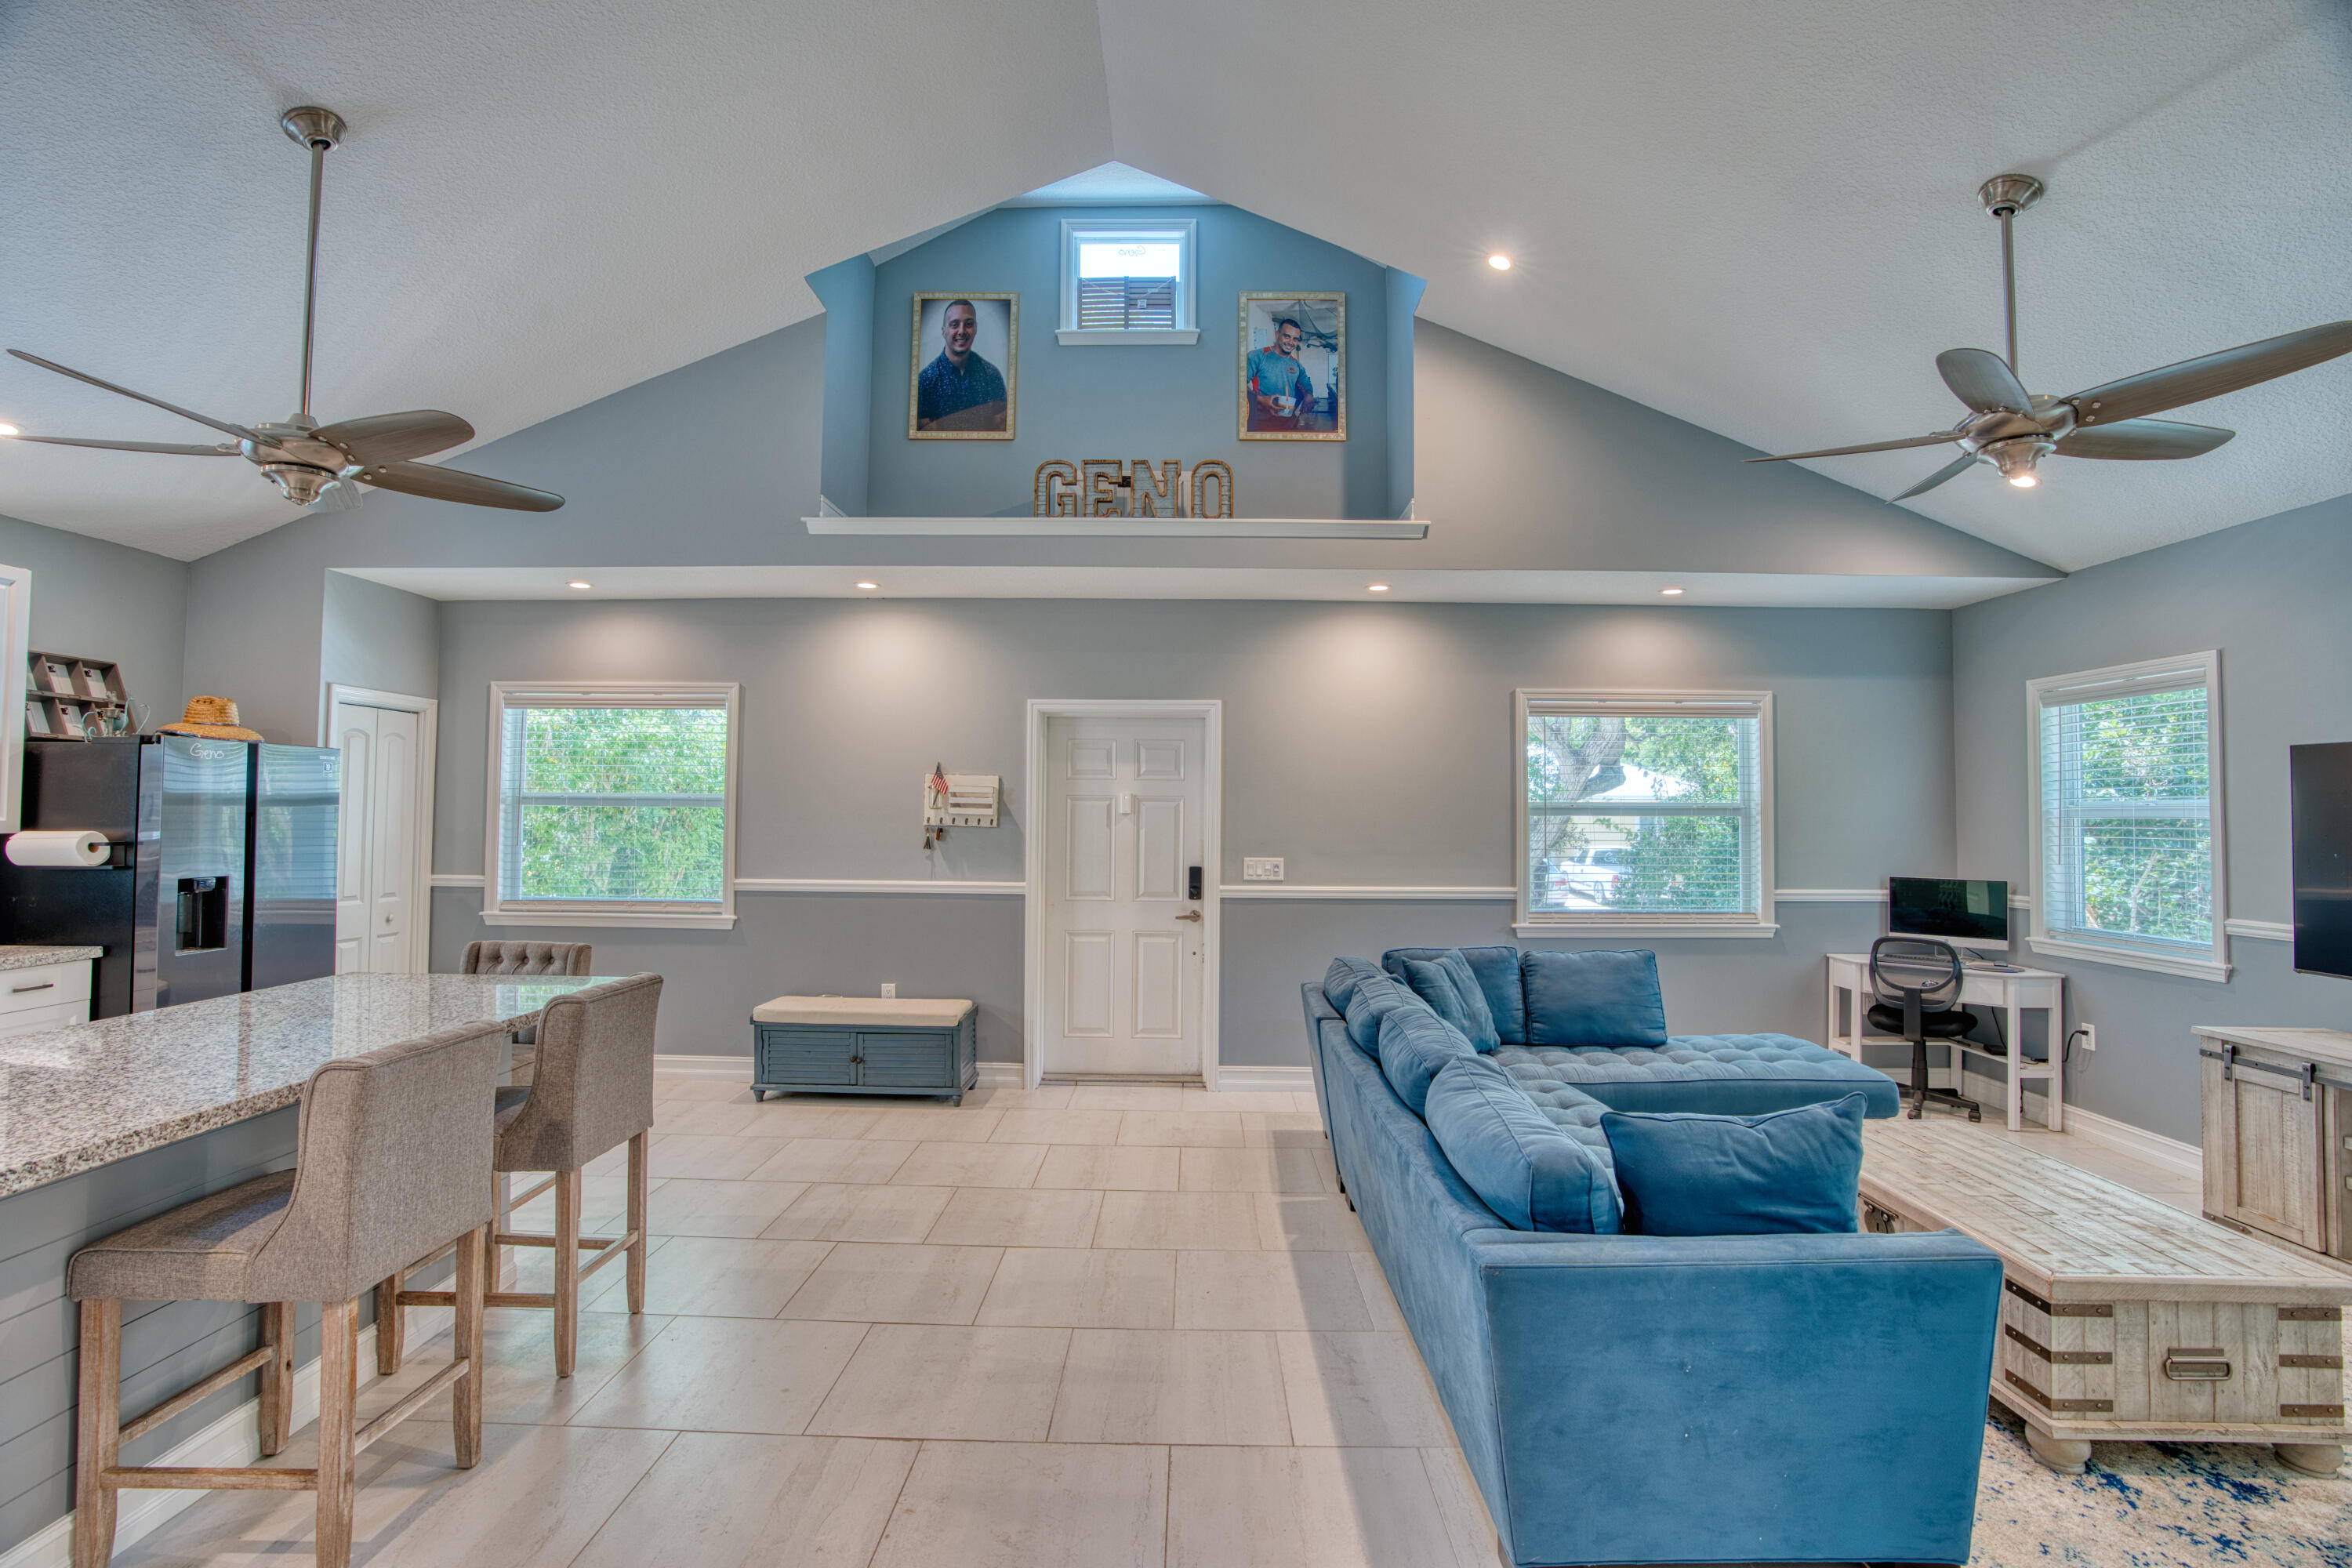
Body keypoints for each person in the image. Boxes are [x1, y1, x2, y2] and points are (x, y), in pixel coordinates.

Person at [915, 299, 1008, 431]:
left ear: (976, 329)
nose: (962, 331)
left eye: (968, 324)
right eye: (954, 324)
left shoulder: (992, 376)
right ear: (944, 331)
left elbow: (1002, 432)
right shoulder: (925, 381)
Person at [1245, 316, 1315, 431]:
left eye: (1295, 339)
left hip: (1288, 421)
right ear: (1277, 335)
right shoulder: (1257, 356)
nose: (1291, 342)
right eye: (1287, 336)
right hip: (1261, 422)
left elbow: (1306, 383)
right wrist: (1261, 400)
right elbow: (1239, 384)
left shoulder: (1296, 365)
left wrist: (1309, 395)